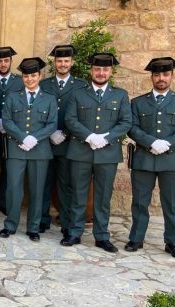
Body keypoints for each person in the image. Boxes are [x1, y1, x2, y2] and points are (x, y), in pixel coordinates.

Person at [126, 57, 175, 259]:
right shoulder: (138, 102)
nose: (161, 78)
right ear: (152, 77)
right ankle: (136, 238)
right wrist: (151, 142)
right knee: (139, 201)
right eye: (157, 75)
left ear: (172, 76)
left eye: (165, 74)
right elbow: (132, 127)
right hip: (144, 159)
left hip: (172, 159)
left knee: (171, 203)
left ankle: (172, 242)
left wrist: (167, 143)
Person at [62, 53, 132, 252]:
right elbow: (70, 119)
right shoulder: (78, 94)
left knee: (103, 196)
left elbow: (126, 122)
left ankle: (101, 236)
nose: (101, 73)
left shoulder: (120, 95)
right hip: (81, 151)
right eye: (97, 69)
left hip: (107, 153)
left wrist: (107, 137)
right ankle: (74, 233)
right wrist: (90, 136)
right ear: (91, 71)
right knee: (78, 194)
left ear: (111, 72)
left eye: (105, 70)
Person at [0, 57, 57, 241]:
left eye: (33, 75)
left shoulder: (49, 99)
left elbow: (52, 124)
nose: (30, 79)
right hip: (17, 149)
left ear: (40, 76)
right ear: (22, 78)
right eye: (26, 76)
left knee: (37, 189)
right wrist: (23, 137)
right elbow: (7, 121)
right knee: (14, 189)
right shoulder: (13, 96)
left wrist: (34, 138)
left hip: (40, 151)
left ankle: (33, 227)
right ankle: (10, 224)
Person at [39, 45, 87, 238]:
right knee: (43, 182)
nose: (63, 64)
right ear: (54, 63)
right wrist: (49, 132)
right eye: (59, 61)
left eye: (66, 61)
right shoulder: (44, 85)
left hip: (69, 142)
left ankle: (66, 221)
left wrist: (65, 132)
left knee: (66, 184)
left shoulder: (81, 85)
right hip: (45, 141)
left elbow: (82, 115)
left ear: (72, 63)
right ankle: (42, 219)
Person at [0, 46, 22, 214]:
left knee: (8, 167)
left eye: (6, 61)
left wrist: (8, 124)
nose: (3, 64)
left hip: (11, 132)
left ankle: (4, 201)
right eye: (0, 61)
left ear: (11, 62)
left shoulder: (19, 81)